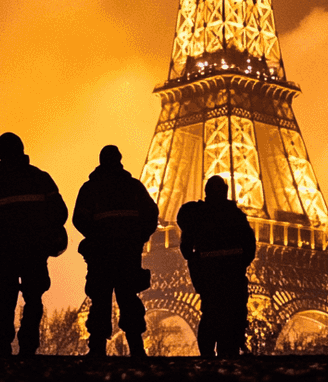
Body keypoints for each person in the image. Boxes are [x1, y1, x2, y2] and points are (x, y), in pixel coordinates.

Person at [0, 132, 68, 356]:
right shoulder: (41, 179)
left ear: (0, 154)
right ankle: (28, 345)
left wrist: (2, 222)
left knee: (6, 298)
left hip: (6, 250)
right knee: (33, 298)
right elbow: (60, 213)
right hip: (36, 250)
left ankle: (2, 345)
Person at [73, 144, 159, 358]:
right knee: (128, 298)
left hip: (101, 253)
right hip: (127, 252)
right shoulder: (134, 187)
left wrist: (95, 236)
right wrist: (140, 237)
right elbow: (151, 213)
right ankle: (136, 347)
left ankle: (97, 347)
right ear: (120, 160)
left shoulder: (90, 188)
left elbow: (79, 219)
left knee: (100, 300)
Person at [177, 175, 256, 358]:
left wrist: (196, 260)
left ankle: (208, 354)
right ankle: (228, 353)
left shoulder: (199, 214)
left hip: (209, 274)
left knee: (211, 313)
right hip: (232, 274)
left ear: (206, 192)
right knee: (233, 314)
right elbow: (250, 245)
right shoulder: (235, 215)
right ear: (226, 192)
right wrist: (240, 263)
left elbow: (186, 246)